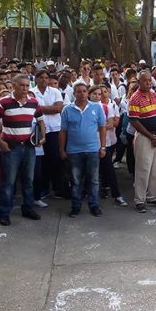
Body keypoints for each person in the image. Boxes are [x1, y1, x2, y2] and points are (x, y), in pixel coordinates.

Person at [0, 74, 46, 226]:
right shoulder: (4, 102)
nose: (25, 89)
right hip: (11, 147)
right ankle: (5, 212)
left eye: (27, 86)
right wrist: (0, 141)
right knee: (8, 181)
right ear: (14, 85)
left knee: (28, 180)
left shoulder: (34, 102)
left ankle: (28, 208)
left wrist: (43, 137)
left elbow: (41, 120)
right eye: (22, 85)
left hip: (29, 147)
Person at [59, 83, 107, 218]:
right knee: (76, 181)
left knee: (94, 180)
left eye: (84, 91)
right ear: (74, 94)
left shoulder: (96, 108)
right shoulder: (67, 110)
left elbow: (102, 128)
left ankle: (94, 206)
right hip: (74, 151)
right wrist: (62, 150)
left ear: (87, 93)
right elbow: (63, 132)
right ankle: (75, 206)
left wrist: (103, 147)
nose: (82, 94)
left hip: (92, 150)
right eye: (79, 91)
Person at [129, 70, 156, 213]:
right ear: (139, 82)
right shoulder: (135, 98)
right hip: (144, 137)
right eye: (145, 81)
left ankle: (153, 196)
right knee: (143, 169)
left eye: (150, 81)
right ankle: (140, 200)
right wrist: (151, 136)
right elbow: (134, 121)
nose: (149, 83)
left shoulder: (154, 96)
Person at [32, 69, 65, 203]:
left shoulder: (55, 91)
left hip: (55, 129)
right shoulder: (31, 93)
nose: (44, 80)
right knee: (41, 160)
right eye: (41, 77)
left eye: (46, 78)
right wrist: (47, 108)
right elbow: (31, 109)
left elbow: (58, 108)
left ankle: (57, 188)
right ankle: (42, 189)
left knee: (55, 158)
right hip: (39, 129)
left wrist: (39, 108)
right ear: (36, 79)